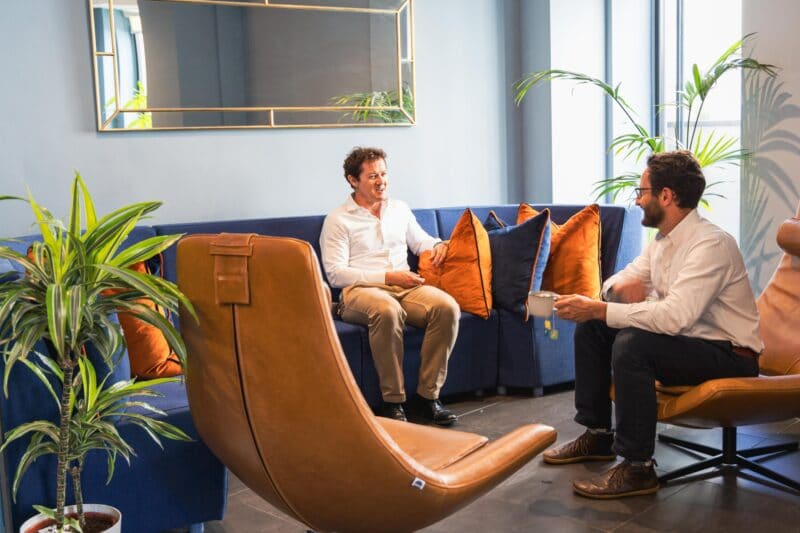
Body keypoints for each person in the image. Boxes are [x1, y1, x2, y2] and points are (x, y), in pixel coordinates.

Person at [544, 150, 762, 498]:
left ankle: (637, 467)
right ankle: (599, 435)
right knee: (593, 328)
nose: (637, 199)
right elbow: (620, 281)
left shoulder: (711, 244)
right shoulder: (662, 241)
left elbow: (675, 317)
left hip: (731, 355)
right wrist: (611, 293)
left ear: (666, 196)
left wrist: (602, 308)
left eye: (642, 192)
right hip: (691, 343)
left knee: (633, 344)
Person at [320, 147, 460, 426]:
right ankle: (392, 402)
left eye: (383, 174)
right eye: (372, 176)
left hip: (406, 287)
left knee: (447, 308)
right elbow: (336, 275)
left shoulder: (399, 209)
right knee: (387, 311)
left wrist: (439, 245)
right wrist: (388, 278)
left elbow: (420, 242)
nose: (381, 181)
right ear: (353, 180)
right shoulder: (338, 219)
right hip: (360, 291)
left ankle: (428, 397)